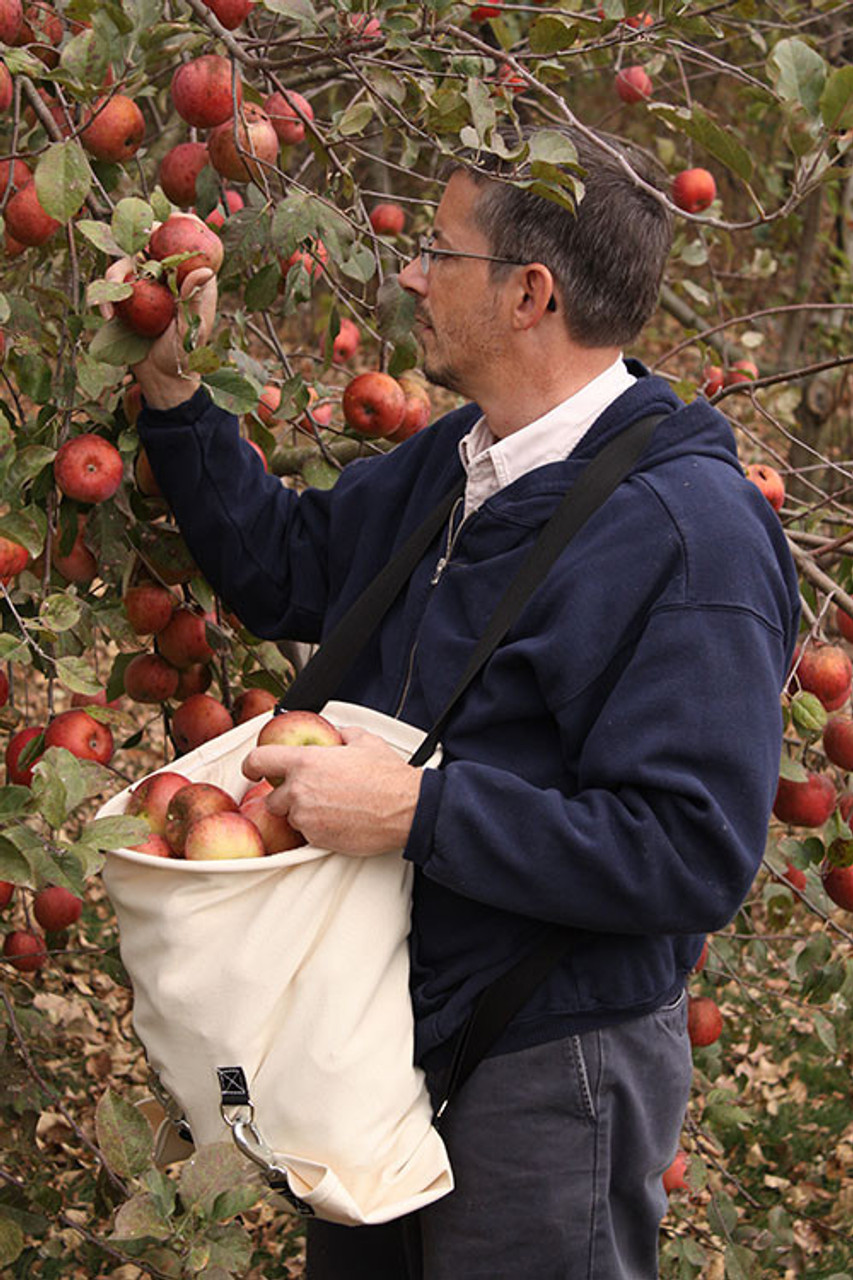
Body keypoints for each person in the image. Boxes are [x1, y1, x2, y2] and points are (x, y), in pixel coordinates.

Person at [121, 126, 800, 1279]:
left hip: (548, 1063)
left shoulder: (692, 537)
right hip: (380, 1030)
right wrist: (178, 391)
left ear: (530, 292)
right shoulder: (461, 465)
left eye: (439, 252)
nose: (410, 274)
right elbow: (288, 565)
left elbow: (691, 851)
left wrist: (413, 809)